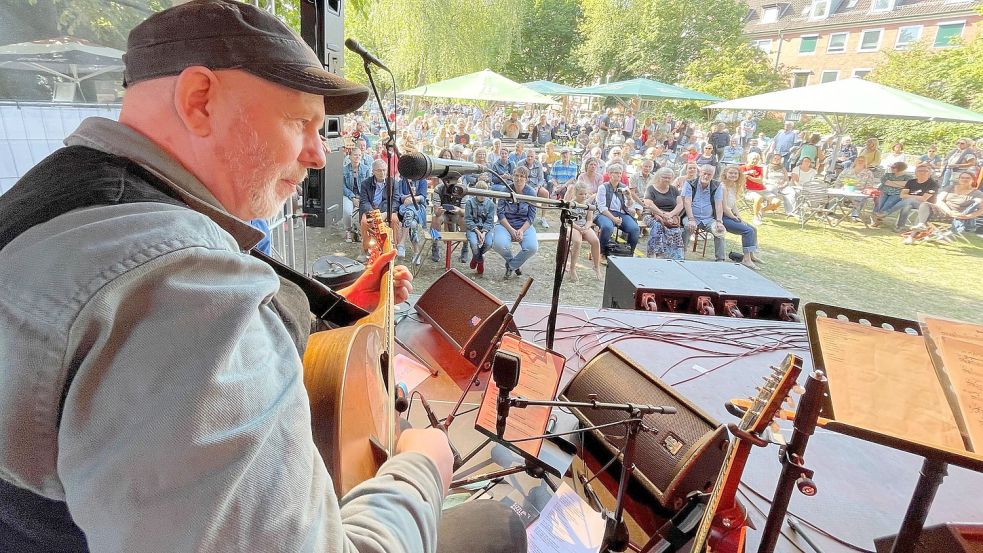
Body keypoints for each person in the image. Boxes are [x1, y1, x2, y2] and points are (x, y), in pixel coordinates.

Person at [0, 2, 526, 552]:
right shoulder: (178, 288)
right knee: (498, 527)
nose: (318, 155)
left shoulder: (61, 199)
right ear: (199, 100)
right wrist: (422, 466)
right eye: (301, 122)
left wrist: (352, 300)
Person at [492, 166, 539, 279]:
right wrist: (511, 230)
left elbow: (532, 216)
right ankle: (515, 264)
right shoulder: (505, 190)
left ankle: (511, 265)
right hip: (505, 224)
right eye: (516, 175)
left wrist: (521, 230)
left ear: (526, 179)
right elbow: (500, 213)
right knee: (498, 244)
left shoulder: (531, 192)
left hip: (524, 224)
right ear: (512, 177)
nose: (518, 178)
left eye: (522, 176)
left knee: (532, 247)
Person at [909, 171, 983, 236]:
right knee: (925, 205)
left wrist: (966, 216)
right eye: (962, 178)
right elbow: (939, 201)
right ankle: (921, 225)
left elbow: (981, 210)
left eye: (967, 178)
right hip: (942, 212)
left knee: (923, 214)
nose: (964, 179)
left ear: (973, 180)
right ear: (959, 179)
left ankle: (912, 235)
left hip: (956, 217)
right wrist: (949, 211)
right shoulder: (950, 188)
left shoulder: (977, 193)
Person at [594, 163, 641, 258]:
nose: (619, 175)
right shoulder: (603, 187)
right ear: (610, 174)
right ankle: (601, 252)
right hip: (605, 213)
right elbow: (601, 207)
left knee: (635, 229)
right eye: (616, 173)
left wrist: (628, 197)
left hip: (621, 213)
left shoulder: (623, 187)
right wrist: (614, 219)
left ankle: (629, 253)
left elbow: (628, 206)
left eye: (620, 173)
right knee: (607, 227)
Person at [719, 165, 761, 269]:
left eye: (735, 173)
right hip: (722, 217)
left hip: (731, 215)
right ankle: (746, 260)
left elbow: (734, 205)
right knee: (748, 231)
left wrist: (740, 218)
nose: (733, 175)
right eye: (731, 173)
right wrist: (734, 218)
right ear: (725, 174)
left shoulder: (733, 186)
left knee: (753, 229)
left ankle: (751, 255)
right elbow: (724, 207)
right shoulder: (722, 187)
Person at [872, 165, 938, 231]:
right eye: (920, 171)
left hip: (926, 206)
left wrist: (910, 196)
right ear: (916, 173)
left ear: (929, 173)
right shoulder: (911, 182)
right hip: (910, 202)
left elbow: (924, 198)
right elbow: (902, 195)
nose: (922, 172)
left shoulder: (933, 184)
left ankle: (886, 212)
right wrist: (914, 197)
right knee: (907, 206)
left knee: (909, 200)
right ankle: (900, 226)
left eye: (925, 171)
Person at [359, 159, 402, 260]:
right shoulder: (365, 183)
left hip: (387, 210)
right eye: (379, 170)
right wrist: (373, 213)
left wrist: (386, 213)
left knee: (395, 220)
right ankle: (365, 250)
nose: (382, 173)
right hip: (371, 210)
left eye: (384, 170)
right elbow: (364, 202)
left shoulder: (393, 183)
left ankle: (393, 248)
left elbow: (395, 201)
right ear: (373, 171)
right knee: (365, 221)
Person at [683, 165, 726, 262]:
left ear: (713, 176)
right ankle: (681, 254)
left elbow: (719, 204)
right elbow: (687, 201)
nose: (706, 176)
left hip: (708, 219)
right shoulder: (689, 183)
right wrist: (691, 219)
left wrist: (719, 221)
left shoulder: (717, 185)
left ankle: (720, 259)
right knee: (687, 227)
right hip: (691, 217)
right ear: (699, 173)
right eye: (704, 173)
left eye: (709, 174)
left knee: (720, 232)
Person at [642, 167, 684, 260]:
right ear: (658, 177)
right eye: (664, 177)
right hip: (651, 214)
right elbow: (649, 204)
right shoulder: (651, 189)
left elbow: (680, 204)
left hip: (670, 215)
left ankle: (675, 256)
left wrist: (671, 214)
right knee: (657, 226)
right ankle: (654, 253)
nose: (667, 180)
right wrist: (662, 214)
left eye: (669, 178)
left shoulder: (674, 189)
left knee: (676, 230)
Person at [564, 183, 603, 281]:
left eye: (585, 194)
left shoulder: (588, 205)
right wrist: (578, 228)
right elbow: (568, 221)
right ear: (576, 193)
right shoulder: (571, 204)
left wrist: (586, 227)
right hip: (573, 226)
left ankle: (596, 266)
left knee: (595, 241)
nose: (584, 196)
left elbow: (589, 220)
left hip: (584, 226)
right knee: (577, 241)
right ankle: (572, 268)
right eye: (581, 194)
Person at [464, 180, 496, 275]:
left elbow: (490, 221)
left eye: (485, 194)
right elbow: (468, 219)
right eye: (480, 193)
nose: (483, 196)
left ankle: (476, 257)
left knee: (489, 243)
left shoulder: (490, 204)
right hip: (473, 228)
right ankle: (480, 260)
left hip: (486, 229)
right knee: (474, 244)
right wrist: (478, 232)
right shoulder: (469, 202)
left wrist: (484, 232)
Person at [342, 146, 371, 239]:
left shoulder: (366, 169)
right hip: (349, 195)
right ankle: (348, 230)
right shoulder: (344, 169)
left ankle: (364, 231)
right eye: (355, 155)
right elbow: (342, 186)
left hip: (363, 195)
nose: (357, 157)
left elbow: (367, 185)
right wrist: (352, 197)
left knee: (368, 209)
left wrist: (361, 197)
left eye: (359, 155)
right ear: (349, 156)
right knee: (347, 211)